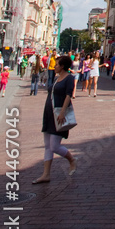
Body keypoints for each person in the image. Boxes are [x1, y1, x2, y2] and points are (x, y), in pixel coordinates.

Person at [32, 54, 77, 183]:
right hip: (49, 113)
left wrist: (62, 112)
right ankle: (46, 174)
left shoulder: (69, 78)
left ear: (62, 66)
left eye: (57, 64)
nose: (54, 66)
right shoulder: (57, 78)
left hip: (58, 114)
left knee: (54, 146)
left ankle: (72, 160)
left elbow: (69, 95)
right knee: (47, 146)